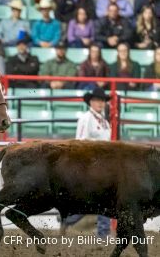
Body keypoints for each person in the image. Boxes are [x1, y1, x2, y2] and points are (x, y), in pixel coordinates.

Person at [61, 87, 111, 239]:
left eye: (102, 100)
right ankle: (103, 232)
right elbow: (80, 143)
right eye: (97, 100)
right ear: (90, 101)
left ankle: (68, 219)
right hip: (90, 164)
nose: (100, 103)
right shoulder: (86, 118)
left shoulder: (103, 121)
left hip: (101, 165)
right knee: (103, 198)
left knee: (97, 199)